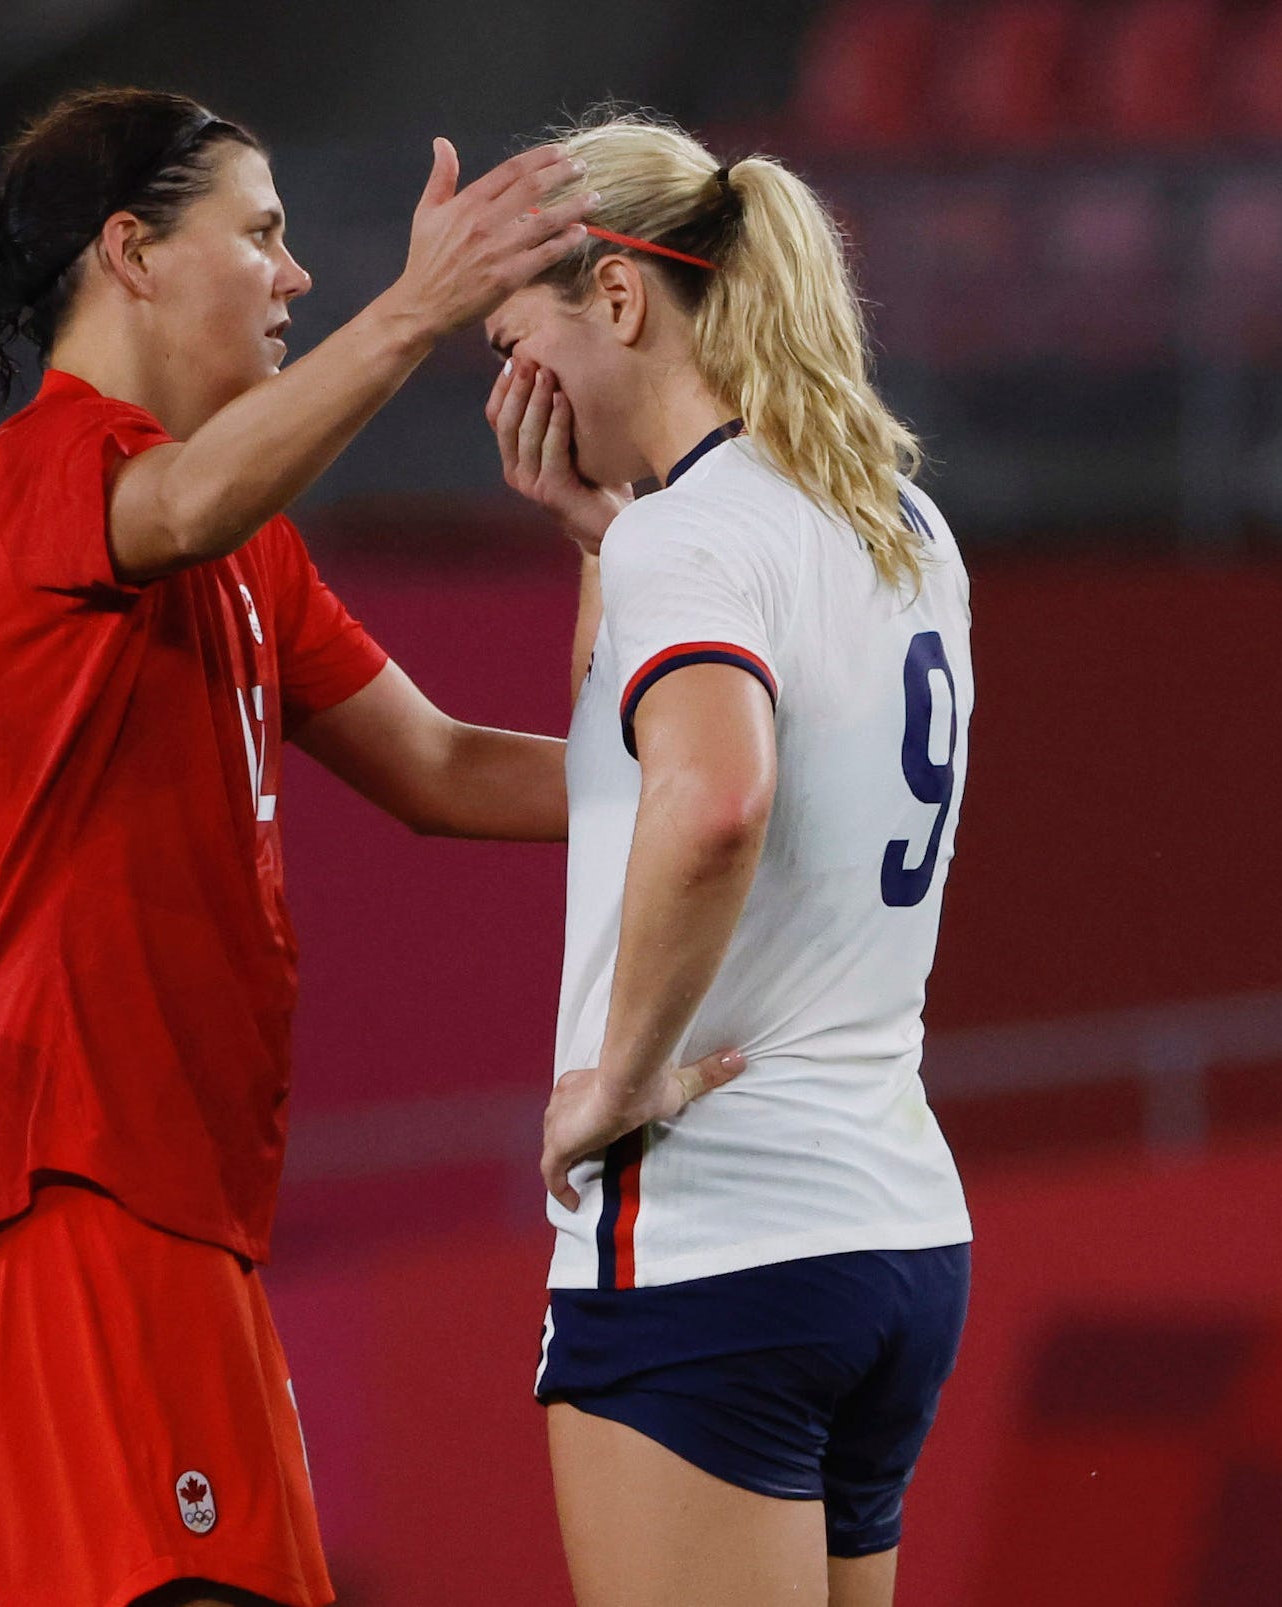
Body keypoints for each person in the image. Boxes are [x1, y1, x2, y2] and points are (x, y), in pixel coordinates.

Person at [0, 88, 727, 1607]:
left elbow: (441, 769)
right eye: (263, 235)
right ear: (132, 252)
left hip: (174, 1199)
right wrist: (417, 311)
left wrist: (633, 614)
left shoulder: (235, 537)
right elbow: (192, 500)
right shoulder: (41, 475)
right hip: (60, 1182)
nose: (294, 276)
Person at [482, 110, 976, 1607]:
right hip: (892, 1229)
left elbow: (710, 799)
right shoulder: (895, 518)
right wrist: (595, 541)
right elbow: (630, 773)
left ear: (619, 300)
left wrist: (622, 1073)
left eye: (520, 342)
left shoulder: (691, 542)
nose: (514, 390)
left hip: (715, 1235)